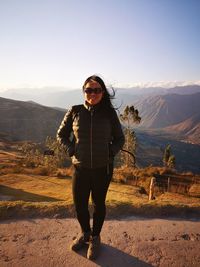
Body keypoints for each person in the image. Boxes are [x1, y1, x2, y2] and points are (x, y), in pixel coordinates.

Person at [57, 75, 125, 260]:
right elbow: (61, 135)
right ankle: (85, 233)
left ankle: (95, 238)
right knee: (80, 205)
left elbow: (120, 139)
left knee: (98, 204)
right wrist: (72, 150)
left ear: (102, 92)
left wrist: (109, 153)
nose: (92, 93)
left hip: (103, 168)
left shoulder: (109, 114)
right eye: (89, 90)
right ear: (83, 92)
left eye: (96, 90)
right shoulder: (75, 111)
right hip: (80, 167)